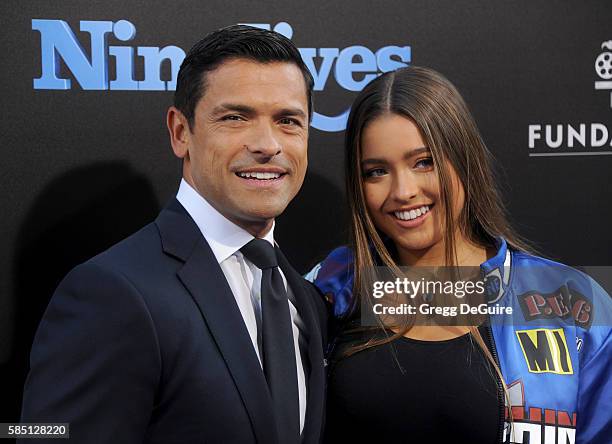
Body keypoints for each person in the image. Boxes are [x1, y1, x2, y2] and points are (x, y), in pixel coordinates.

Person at [20, 25, 328, 444]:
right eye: (235, 117)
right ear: (181, 132)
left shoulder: (305, 298)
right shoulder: (111, 293)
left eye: (288, 121)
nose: (267, 144)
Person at [308, 66, 611, 443]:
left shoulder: (568, 301)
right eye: (377, 171)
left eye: (424, 162)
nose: (403, 190)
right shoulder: (333, 286)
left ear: (464, 159)